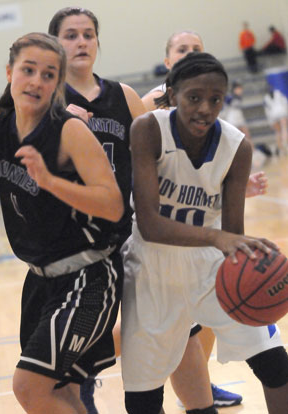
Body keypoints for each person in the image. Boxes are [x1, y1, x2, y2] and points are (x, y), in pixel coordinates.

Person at [121, 52, 288, 414]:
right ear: (174, 93)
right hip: (151, 269)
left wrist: (261, 265)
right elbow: (149, 224)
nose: (205, 108)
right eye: (194, 97)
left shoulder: (236, 146)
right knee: (143, 399)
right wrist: (217, 239)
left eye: (216, 99)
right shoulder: (148, 129)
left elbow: (233, 234)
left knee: (276, 364)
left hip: (211, 270)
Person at [0, 32, 124, 414]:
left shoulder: (68, 130)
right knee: (60, 393)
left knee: (29, 387)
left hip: (88, 276)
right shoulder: (2, 125)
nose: (37, 81)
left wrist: (50, 182)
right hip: (40, 279)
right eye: (29, 70)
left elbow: (113, 205)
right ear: (10, 72)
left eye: (49, 74)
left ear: (58, 84)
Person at [47, 7, 146, 414]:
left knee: (155, 328)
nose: (82, 42)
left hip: (124, 234)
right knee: (78, 342)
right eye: (71, 35)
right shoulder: (45, 103)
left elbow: (155, 160)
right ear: (55, 46)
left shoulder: (123, 97)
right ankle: (84, 383)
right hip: (68, 243)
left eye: (88, 34)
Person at [263, 84, 288, 155]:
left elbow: (267, 112)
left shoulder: (265, 98)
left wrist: (270, 122)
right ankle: (285, 144)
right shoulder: (278, 93)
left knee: (278, 132)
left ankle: (280, 149)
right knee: (284, 129)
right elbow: (285, 102)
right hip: (281, 113)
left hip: (273, 115)